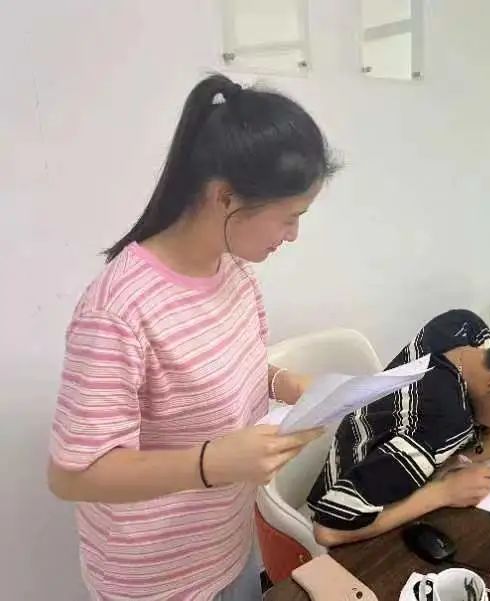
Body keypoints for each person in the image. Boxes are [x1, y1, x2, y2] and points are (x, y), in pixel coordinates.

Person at [47, 74, 338, 600]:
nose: (293, 236)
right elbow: (73, 475)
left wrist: (283, 383)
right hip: (155, 580)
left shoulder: (235, 273)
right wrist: (211, 463)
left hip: (228, 545)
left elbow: (217, 373)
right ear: (224, 197)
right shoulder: (118, 310)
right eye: (289, 218)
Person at [308, 309, 490, 547]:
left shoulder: (466, 328)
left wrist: (463, 457)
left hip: (371, 438)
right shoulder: (438, 428)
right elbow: (328, 530)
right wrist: (444, 493)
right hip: (345, 493)